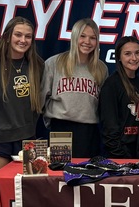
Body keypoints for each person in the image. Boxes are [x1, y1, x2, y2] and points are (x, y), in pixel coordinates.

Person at [0, 16, 44, 173]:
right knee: (0, 190)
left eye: (28, 36)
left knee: (26, 189)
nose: (23, 40)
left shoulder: (37, 66)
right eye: (18, 35)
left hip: (27, 140)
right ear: (7, 37)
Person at [42, 18, 108, 157]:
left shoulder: (101, 68)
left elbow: (103, 104)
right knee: (60, 172)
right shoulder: (54, 63)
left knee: (86, 174)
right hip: (61, 126)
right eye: (82, 36)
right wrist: (50, 122)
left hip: (89, 130)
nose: (87, 42)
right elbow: (41, 98)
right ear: (74, 37)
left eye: (92, 38)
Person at [99, 36, 139, 158]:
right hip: (119, 155)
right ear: (119, 57)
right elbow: (109, 130)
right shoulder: (111, 85)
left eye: (137, 53)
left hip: (138, 152)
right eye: (127, 54)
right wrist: (123, 158)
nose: (134, 58)